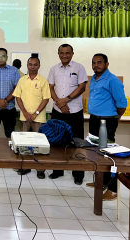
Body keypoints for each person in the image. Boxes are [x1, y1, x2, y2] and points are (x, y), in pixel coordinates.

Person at [86, 53, 127, 201]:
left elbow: (122, 103)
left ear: (107, 64)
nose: (96, 65)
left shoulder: (113, 80)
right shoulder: (95, 79)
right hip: (94, 119)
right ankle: (102, 182)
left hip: (107, 120)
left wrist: (115, 118)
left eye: (99, 62)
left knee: (108, 154)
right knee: (96, 152)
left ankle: (113, 189)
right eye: (94, 63)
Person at [47, 43, 88, 185]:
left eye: (67, 53)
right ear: (58, 54)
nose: (64, 55)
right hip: (58, 110)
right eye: (62, 53)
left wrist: (66, 100)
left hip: (75, 110)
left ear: (72, 53)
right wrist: (59, 103)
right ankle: (58, 170)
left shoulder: (79, 67)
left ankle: (78, 173)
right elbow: (50, 87)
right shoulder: (53, 69)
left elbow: (82, 87)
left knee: (77, 143)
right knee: (57, 141)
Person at [13, 57, 51, 178]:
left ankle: (40, 170)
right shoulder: (22, 80)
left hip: (39, 119)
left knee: (39, 144)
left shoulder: (43, 81)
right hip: (24, 118)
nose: (32, 66)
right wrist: (24, 112)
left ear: (39, 66)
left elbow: (46, 98)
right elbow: (18, 97)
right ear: (27, 65)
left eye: (35, 64)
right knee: (24, 144)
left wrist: (36, 113)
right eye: (30, 64)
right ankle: (25, 167)